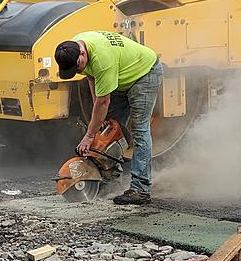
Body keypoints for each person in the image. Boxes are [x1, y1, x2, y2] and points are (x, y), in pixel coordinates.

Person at [55, 31, 161, 205]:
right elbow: (91, 77)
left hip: (144, 74)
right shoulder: (73, 48)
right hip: (121, 76)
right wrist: (97, 122)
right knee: (108, 127)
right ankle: (111, 179)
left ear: (82, 54)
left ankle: (141, 189)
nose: (78, 70)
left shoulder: (101, 59)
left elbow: (103, 102)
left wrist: (89, 135)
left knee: (139, 129)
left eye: (78, 66)